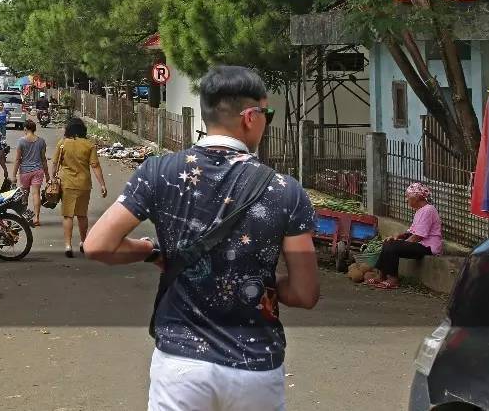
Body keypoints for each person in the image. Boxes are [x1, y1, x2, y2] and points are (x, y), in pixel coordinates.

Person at [84, 65, 320, 411]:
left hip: (181, 364)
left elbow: (97, 245)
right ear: (251, 117)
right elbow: (305, 293)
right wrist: (259, 283)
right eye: (267, 112)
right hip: (254, 365)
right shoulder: (286, 190)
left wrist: (150, 252)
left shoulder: (158, 171)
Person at [363, 183, 442, 290]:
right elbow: (411, 232)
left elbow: (418, 236)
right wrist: (398, 237)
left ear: (417, 197)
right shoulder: (420, 210)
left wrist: (401, 243)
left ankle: (393, 279)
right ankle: (381, 275)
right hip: (420, 244)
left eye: (408, 197)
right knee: (388, 242)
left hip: (428, 247)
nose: (406, 200)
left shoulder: (428, 210)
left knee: (393, 246)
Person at [52, 117, 107, 257]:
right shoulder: (89, 145)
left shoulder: (63, 144)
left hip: (67, 184)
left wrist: (52, 178)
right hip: (84, 184)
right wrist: (102, 184)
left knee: (68, 215)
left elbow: (54, 164)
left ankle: (68, 245)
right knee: (82, 215)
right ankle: (84, 242)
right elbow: (95, 166)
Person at [13, 122, 49, 225]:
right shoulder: (41, 141)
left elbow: (17, 159)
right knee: (36, 193)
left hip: (25, 171)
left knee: (24, 194)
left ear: (25, 129)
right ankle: (37, 218)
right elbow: (43, 159)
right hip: (38, 171)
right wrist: (47, 175)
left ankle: (24, 217)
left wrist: (13, 175)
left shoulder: (21, 141)